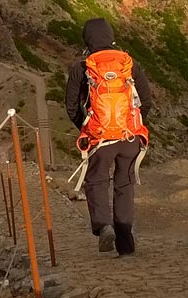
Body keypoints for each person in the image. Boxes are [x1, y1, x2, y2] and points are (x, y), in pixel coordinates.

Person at [65, 18, 153, 256]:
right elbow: (146, 100)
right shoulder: (128, 64)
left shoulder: (82, 68)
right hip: (129, 137)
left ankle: (104, 227)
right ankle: (126, 245)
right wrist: (131, 124)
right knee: (124, 184)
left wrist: (88, 128)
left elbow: (71, 107)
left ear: (87, 40)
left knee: (96, 181)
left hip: (100, 138)